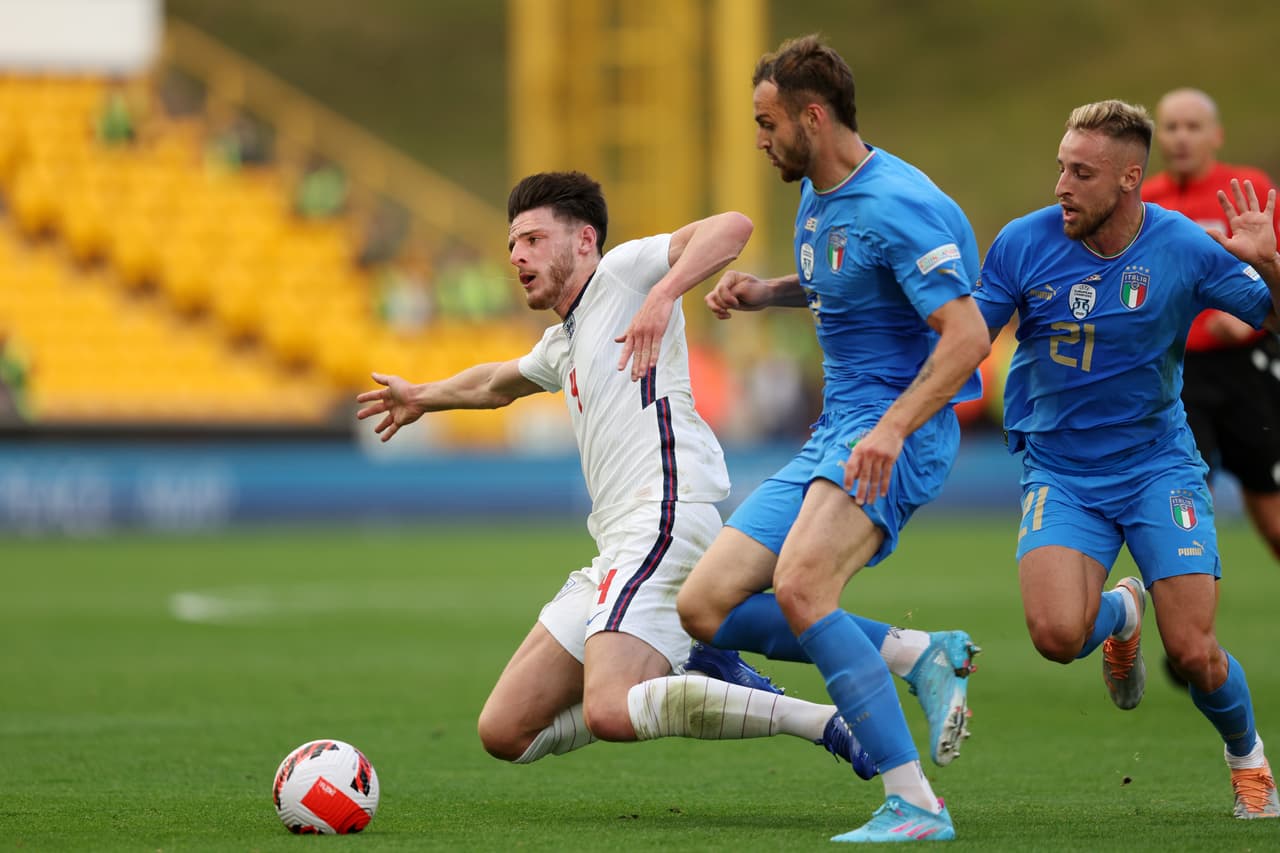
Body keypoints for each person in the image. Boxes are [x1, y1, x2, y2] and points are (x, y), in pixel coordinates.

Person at [356, 171, 876, 776]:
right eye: (511, 245)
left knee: (610, 709)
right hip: (619, 545)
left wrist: (664, 294)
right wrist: (421, 395)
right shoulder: (564, 340)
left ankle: (825, 723)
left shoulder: (625, 273)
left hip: (664, 517)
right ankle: (681, 667)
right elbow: (494, 384)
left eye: (532, 238)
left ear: (584, 241)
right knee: (506, 731)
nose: (517, 255)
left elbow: (732, 228)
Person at [656, 35, 992, 843]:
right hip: (837, 432)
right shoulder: (818, 188)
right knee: (704, 606)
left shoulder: (899, 203)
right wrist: (764, 292)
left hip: (894, 431)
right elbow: (841, 274)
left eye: (768, 122)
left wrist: (889, 428)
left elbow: (968, 335)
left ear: (814, 114)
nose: (760, 138)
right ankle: (917, 652)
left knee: (805, 591)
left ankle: (915, 804)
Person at [974, 98, 1280, 820]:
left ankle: (1250, 763)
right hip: (1061, 469)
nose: (1061, 186)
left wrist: (1271, 263)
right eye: (1060, 168)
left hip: (1156, 466)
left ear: (1128, 179)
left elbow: (1269, 314)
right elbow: (965, 334)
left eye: (1081, 173)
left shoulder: (1181, 245)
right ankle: (1121, 613)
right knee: (1055, 637)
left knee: (1195, 653)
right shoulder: (1022, 243)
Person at [1143, 88, 1280, 561]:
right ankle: (1196, 635)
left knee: (1273, 520)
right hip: (1178, 375)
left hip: (1248, 369)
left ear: (1216, 135)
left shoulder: (1248, 188)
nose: (1181, 137)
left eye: (1193, 126)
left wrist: (1248, 322)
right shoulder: (1146, 200)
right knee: (1188, 518)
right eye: (1172, 126)